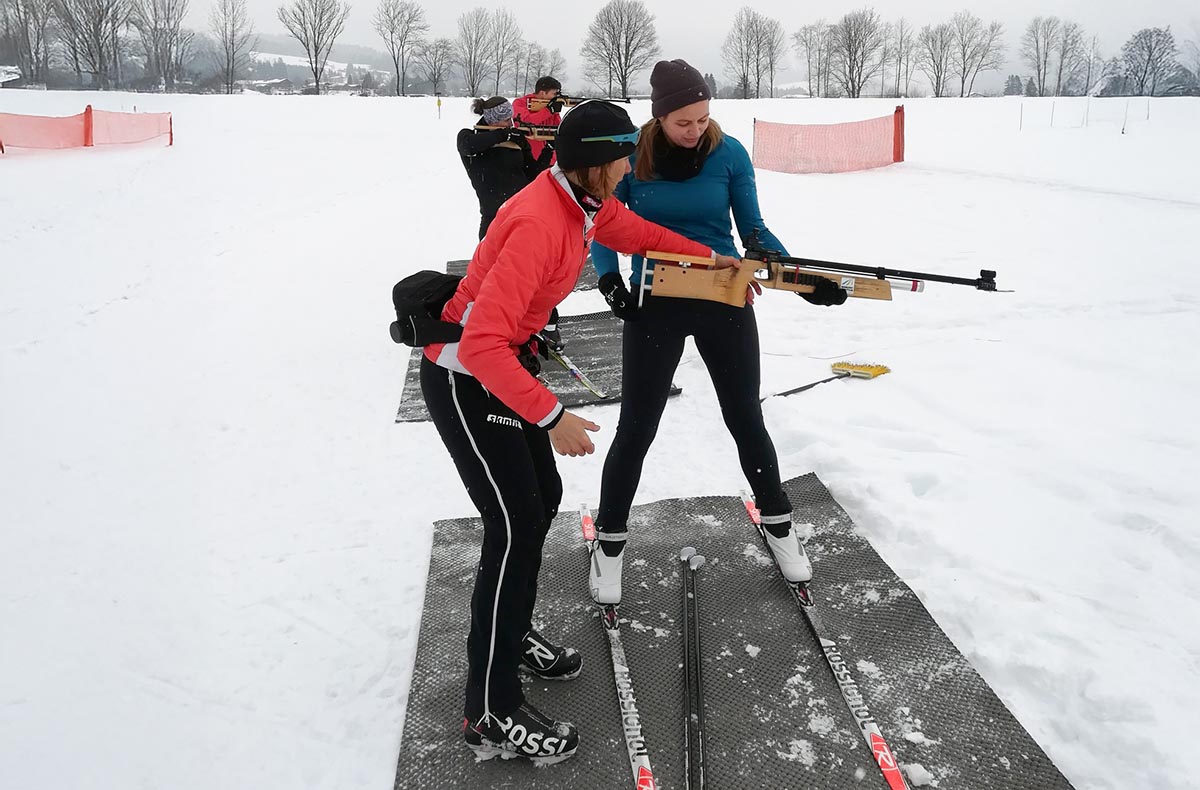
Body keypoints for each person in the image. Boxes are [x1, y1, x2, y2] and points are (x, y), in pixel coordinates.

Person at [421, 100, 742, 764]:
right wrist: (553, 416)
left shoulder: (583, 203)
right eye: (622, 158)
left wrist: (713, 261)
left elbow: (642, 234)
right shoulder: (539, 222)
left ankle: (511, 634)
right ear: (595, 163)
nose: (629, 168)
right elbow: (479, 345)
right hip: (466, 377)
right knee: (514, 525)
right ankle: (490, 710)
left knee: (539, 504)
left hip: (502, 369)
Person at [587, 60, 849, 606]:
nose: (695, 129)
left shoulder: (728, 153)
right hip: (655, 301)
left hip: (722, 297)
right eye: (683, 121)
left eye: (703, 118)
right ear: (659, 117)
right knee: (637, 426)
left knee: (745, 416)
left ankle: (778, 522)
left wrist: (800, 279)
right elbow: (604, 224)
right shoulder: (632, 156)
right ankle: (609, 542)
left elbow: (753, 230)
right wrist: (610, 280)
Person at [458, 96, 554, 241]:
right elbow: (467, 145)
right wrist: (504, 135)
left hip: (522, 213)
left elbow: (533, 174)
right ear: (492, 120)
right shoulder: (469, 137)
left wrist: (548, 150)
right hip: (493, 218)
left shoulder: (516, 140)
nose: (511, 124)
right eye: (506, 120)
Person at [512, 76, 563, 163]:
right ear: (543, 93)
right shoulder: (520, 103)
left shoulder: (551, 106)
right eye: (554, 94)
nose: (556, 97)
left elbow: (558, 129)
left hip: (549, 158)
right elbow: (526, 121)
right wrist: (549, 110)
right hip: (527, 157)